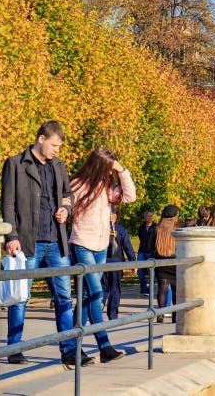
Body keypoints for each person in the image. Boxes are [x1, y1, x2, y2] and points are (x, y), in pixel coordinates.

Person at [1, 121, 90, 367]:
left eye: (59, 147)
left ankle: (69, 349)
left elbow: (68, 195)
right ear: (41, 139)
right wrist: (11, 236)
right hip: (27, 242)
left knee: (64, 297)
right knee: (21, 297)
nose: (56, 151)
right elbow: (7, 204)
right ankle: (15, 348)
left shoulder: (58, 166)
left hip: (56, 241)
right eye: (54, 145)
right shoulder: (16, 164)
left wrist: (66, 209)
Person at [69, 147, 135, 363]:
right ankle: (104, 346)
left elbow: (130, 196)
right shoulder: (78, 184)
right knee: (96, 294)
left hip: (101, 247)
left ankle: (74, 347)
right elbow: (68, 207)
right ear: (99, 166)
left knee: (88, 297)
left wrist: (121, 170)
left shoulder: (107, 187)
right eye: (108, 168)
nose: (110, 173)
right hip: (82, 244)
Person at [102, 211, 135, 321]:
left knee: (103, 287)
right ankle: (113, 315)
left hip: (103, 263)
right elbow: (128, 247)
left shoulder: (100, 229)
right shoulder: (121, 230)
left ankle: (99, 305)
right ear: (115, 218)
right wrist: (133, 262)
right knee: (115, 289)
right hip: (117, 263)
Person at [152, 205, 180, 323]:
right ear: (175, 216)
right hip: (174, 261)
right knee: (175, 289)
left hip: (160, 261)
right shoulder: (177, 229)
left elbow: (151, 245)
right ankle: (175, 315)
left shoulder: (157, 228)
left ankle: (160, 313)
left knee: (162, 288)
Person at [137, 210, 157, 295]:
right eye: (148, 216)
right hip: (142, 252)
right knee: (139, 270)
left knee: (152, 272)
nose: (150, 218)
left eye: (151, 216)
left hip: (151, 252)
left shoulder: (156, 227)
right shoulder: (141, 227)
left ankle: (150, 289)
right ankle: (144, 287)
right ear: (145, 217)